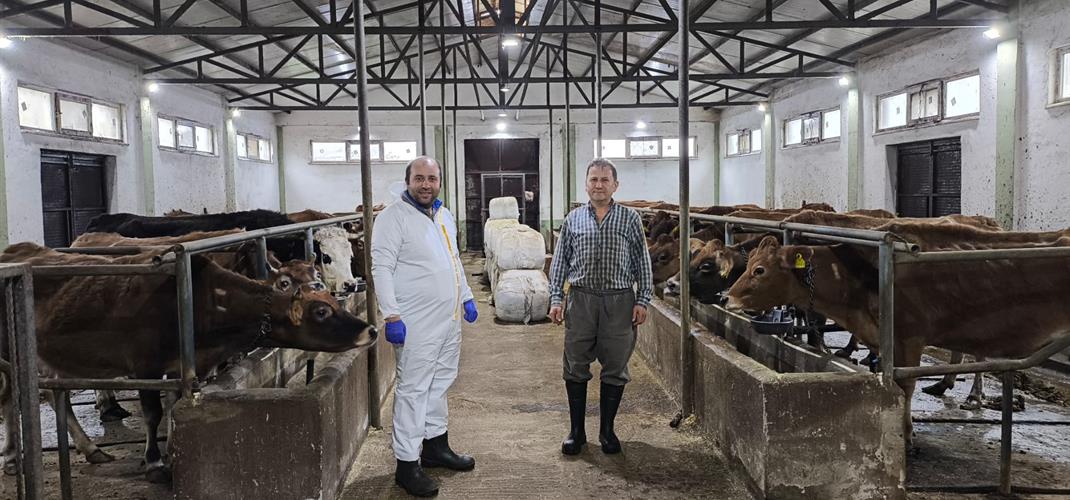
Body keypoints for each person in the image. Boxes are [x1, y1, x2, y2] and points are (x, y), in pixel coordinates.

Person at [372, 156, 479, 497]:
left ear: (439, 182)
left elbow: (453, 259)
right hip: (414, 321)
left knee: (441, 381)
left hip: (447, 320)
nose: (426, 184)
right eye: (419, 178)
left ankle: (435, 446)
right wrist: (391, 314)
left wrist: (466, 296)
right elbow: (381, 267)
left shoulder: (443, 214)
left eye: (432, 178)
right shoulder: (392, 218)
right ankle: (406, 464)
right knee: (414, 389)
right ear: (408, 181)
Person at [547, 157, 653, 456]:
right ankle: (577, 432)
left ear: (615, 185)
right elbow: (561, 261)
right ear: (586, 184)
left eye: (605, 180)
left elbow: (641, 261)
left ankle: (607, 431)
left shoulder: (630, 219)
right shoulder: (573, 219)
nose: (598, 185)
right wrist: (556, 298)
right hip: (581, 299)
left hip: (619, 301)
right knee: (575, 365)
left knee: (616, 367)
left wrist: (643, 299)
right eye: (594, 179)